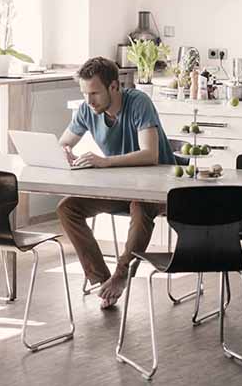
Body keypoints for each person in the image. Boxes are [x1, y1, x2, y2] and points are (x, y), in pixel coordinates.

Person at [57, 56, 176, 309]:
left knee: (140, 205)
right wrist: (65, 152)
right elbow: (64, 142)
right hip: (118, 189)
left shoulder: (138, 103)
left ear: (114, 87)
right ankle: (101, 280)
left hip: (158, 190)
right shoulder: (86, 110)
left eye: (94, 93)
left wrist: (104, 162)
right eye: (84, 93)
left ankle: (121, 275)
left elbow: (150, 154)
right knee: (68, 208)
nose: (89, 101)